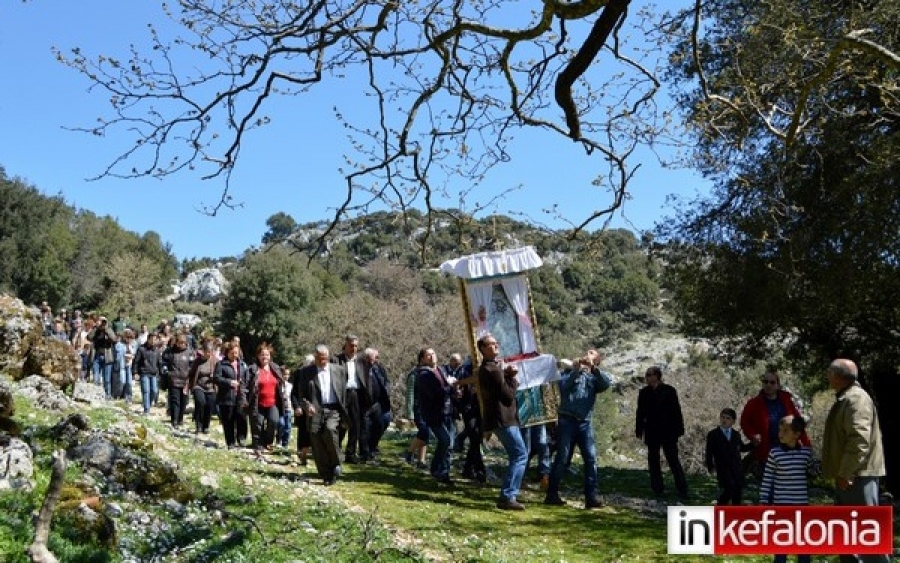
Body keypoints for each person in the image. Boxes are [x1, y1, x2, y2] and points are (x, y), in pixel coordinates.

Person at [821, 359, 889, 563]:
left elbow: (859, 441)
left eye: (829, 372)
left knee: (867, 534)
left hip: (857, 477)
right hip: (851, 476)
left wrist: (846, 473)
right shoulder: (847, 398)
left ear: (838, 377)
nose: (827, 376)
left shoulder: (856, 399)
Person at [544, 349, 612, 508]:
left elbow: (606, 384)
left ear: (596, 361)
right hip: (567, 420)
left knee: (590, 458)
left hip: (585, 423)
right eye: (587, 352)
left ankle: (591, 497)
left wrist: (593, 369)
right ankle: (552, 494)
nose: (587, 354)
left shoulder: (595, 378)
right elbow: (563, 387)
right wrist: (576, 370)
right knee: (562, 458)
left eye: (592, 353)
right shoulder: (569, 372)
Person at [478, 334, 528, 510]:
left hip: (501, 419)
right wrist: (513, 378)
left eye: (496, 343)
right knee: (520, 455)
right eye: (492, 344)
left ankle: (509, 494)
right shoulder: (492, 369)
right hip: (504, 419)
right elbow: (507, 396)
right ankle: (508, 496)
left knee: (518, 455)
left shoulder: (490, 369)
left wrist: (505, 376)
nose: (496, 346)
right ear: (483, 348)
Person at [759, 415, 812, 563]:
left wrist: (817, 465)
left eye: (785, 431)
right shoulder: (775, 453)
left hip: (802, 506)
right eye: (779, 430)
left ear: (796, 434)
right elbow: (767, 478)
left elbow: (813, 474)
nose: (780, 434)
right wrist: (764, 501)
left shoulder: (806, 453)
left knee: (803, 543)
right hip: (781, 506)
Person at [740, 369, 810, 480]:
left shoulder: (786, 401)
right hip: (766, 450)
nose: (768, 385)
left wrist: (806, 446)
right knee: (769, 484)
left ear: (778, 385)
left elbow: (797, 423)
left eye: (772, 382)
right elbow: (744, 422)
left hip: (788, 450)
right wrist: (752, 435)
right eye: (765, 382)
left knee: (787, 482)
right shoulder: (754, 403)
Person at [294, 344, 349, 486]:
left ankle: (336, 462)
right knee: (317, 440)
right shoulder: (306, 373)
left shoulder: (339, 371)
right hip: (316, 410)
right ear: (315, 358)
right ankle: (326, 475)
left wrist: (345, 412)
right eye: (320, 359)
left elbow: (344, 392)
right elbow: (301, 396)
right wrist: (307, 406)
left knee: (330, 430)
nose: (323, 362)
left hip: (333, 409)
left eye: (325, 359)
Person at [635, 365, 689, 501]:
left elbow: (676, 411)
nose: (647, 378)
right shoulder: (644, 393)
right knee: (653, 460)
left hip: (668, 430)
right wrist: (639, 428)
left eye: (649, 375)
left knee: (673, 460)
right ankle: (657, 488)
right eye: (646, 375)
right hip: (652, 430)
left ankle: (682, 489)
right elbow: (640, 412)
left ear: (656, 376)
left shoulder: (669, 391)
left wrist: (679, 429)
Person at [416, 347, 457, 485]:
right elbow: (435, 393)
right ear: (422, 359)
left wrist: (454, 392)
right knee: (445, 440)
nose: (432, 357)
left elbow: (445, 390)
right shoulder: (423, 375)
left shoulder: (441, 370)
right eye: (428, 355)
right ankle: (436, 469)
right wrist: (450, 387)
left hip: (448, 411)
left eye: (433, 354)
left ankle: (443, 472)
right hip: (434, 414)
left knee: (449, 444)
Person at [331, 335, 370, 464]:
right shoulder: (336, 360)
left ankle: (351, 453)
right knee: (340, 423)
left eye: (356, 346)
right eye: (351, 345)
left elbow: (366, 379)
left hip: (356, 394)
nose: (354, 348)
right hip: (342, 394)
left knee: (355, 425)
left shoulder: (362, 361)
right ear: (346, 345)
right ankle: (335, 451)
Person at [246, 342, 290, 452]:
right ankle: (258, 444)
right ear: (258, 356)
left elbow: (280, 384)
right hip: (258, 402)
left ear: (270, 356)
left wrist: (284, 399)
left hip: (273, 402)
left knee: (274, 421)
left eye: (267, 355)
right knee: (258, 424)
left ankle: (267, 441)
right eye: (262, 354)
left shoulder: (275, 368)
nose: (264, 357)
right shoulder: (253, 369)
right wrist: (244, 400)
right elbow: (245, 385)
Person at [705, 408, 751, 506]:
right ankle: (720, 505)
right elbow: (709, 452)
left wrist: (753, 444)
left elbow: (742, 448)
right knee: (729, 488)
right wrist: (710, 466)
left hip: (736, 468)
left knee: (737, 491)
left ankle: (735, 513)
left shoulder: (736, 434)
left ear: (733, 421)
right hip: (723, 468)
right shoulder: (713, 434)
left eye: (728, 418)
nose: (724, 420)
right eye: (722, 417)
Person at [215, 340, 250, 449]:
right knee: (228, 420)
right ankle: (230, 442)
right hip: (226, 397)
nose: (235, 355)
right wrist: (229, 382)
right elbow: (216, 378)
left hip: (240, 396)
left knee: (242, 418)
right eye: (232, 353)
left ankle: (242, 439)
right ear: (227, 352)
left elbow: (247, 378)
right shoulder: (221, 364)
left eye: (236, 352)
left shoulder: (242, 365)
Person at [362, 348, 391, 459]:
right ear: (368, 357)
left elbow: (386, 381)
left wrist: (387, 390)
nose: (378, 359)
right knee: (366, 429)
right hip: (366, 403)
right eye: (376, 357)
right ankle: (365, 452)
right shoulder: (362, 368)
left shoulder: (379, 368)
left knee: (380, 425)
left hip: (379, 402)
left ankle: (372, 447)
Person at [187, 338, 219, 434]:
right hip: (199, 386)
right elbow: (191, 374)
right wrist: (189, 386)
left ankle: (206, 426)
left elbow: (219, 374)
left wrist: (215, 377)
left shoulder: (215, 361)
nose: (209, 354)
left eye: (210, 352)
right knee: (200, 402)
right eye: (207, 352)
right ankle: (198, 426)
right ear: (203, 352)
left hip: (211, 387)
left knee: (209, 406)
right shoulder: (197, 361)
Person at [162, 333, 193, 429]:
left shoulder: (190, 352)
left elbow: (192, 365)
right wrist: (166, 371)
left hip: (185, 381)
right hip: (173, 379)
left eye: (184, 343)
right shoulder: (169, 352)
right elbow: (163, 362)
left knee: (183, 401)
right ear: (176, 342)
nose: (182, 344)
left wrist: (190, 376)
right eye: (180, 342)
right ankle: (174, 420)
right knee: (175, 401)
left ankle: (180, 419)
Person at [290, 354, 315, 465]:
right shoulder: (299, 373)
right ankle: (303, 455)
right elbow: (294, 393)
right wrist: (297, 406)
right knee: (304, 431)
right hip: (303, 407)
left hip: (316, 407)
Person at [403, 363, 429, 469]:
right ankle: (409, 452)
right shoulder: (414, 375)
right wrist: (410, 414)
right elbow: (410, 395)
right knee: (424, 431)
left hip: (428, 409)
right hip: (418, 409)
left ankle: (421, 460)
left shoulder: (431, 373)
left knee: (425, 434)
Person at [133, 333, 163, 416]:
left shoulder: (157, 350)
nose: (153, 341)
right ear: (148, 339)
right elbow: (136, 361)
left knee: (154, 391)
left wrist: (161, 373)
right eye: (152, 339)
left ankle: (148, 405)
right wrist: (135, 372)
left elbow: (159, 363)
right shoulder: (141, 349)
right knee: (146, 391)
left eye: (155, 339)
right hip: (144, 373)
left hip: (153, 373)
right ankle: (146, 410)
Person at [87, 316, 117, 399]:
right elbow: (89, 337)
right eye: (101, 321)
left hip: (107, 357)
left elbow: (114, 340)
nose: (102, 323)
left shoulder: (109, 329)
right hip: (96, 356)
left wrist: (106, 329)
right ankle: (97, 395)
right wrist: (96, 327)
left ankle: (107, 395)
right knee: (96, 377)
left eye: (104, 321)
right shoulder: (96, 330)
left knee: (107, 379)